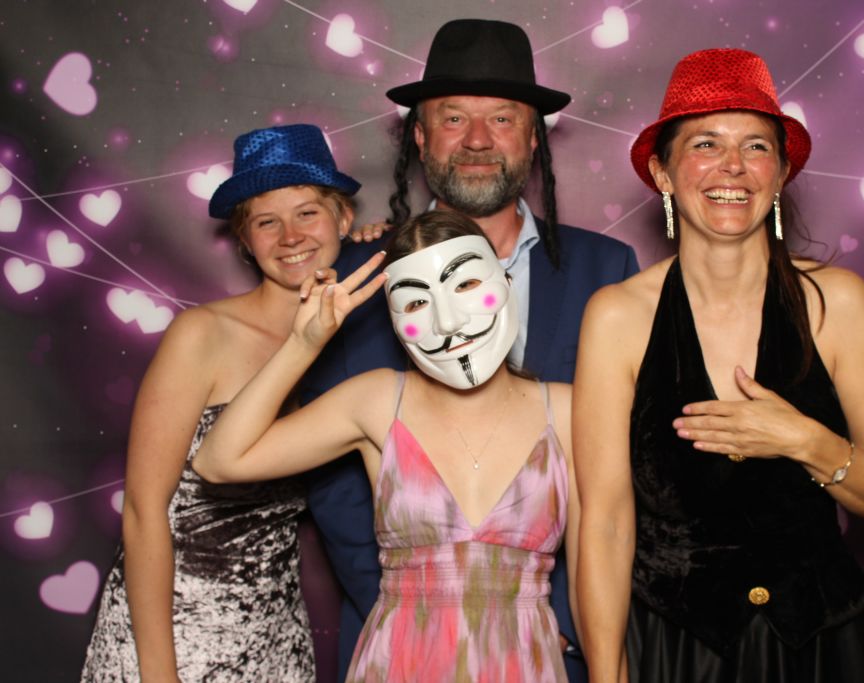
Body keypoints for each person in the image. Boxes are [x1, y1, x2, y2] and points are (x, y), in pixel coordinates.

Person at [301, 18, 639, 681]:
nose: (478, 139)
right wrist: (433, 617)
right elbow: (334, 485)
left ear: (533, 137)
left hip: (558, 648)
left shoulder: (607, 271)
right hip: (401, 646)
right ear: (419, 136)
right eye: (454, 118)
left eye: (502, 119)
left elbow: (621, 481)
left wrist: (558, 621)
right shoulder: (354, 277)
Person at [574, 49, 864, 682]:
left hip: (819, 654)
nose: (732, 165)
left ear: (781, 173)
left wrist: (806, 441)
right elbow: (603, 525)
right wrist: (605, 674)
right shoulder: (617, 316)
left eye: (756, 146)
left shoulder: (837, 303)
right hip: (675, 653)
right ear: (662, 172)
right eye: (706, 144)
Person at [193, 210, 580, 682]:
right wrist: (303, 343)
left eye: (464, 285)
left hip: (522, 662)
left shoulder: (565, 410)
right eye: (416, 303)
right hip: (402, 660)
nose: (447, 320)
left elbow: (606, 549)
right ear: (394, 320)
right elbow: (219, 460)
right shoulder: (377, 401)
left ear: (504, 282)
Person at [81, 124, 361, 682]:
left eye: (307, 213)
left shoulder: (355, 340)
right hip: (176, 630)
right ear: (245, 240)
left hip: (277, 638)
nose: (290, 236)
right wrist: (159, 673)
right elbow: (143, 511)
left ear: (343, 220)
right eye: (266, 222)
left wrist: (384, 239)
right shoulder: (203, 334)